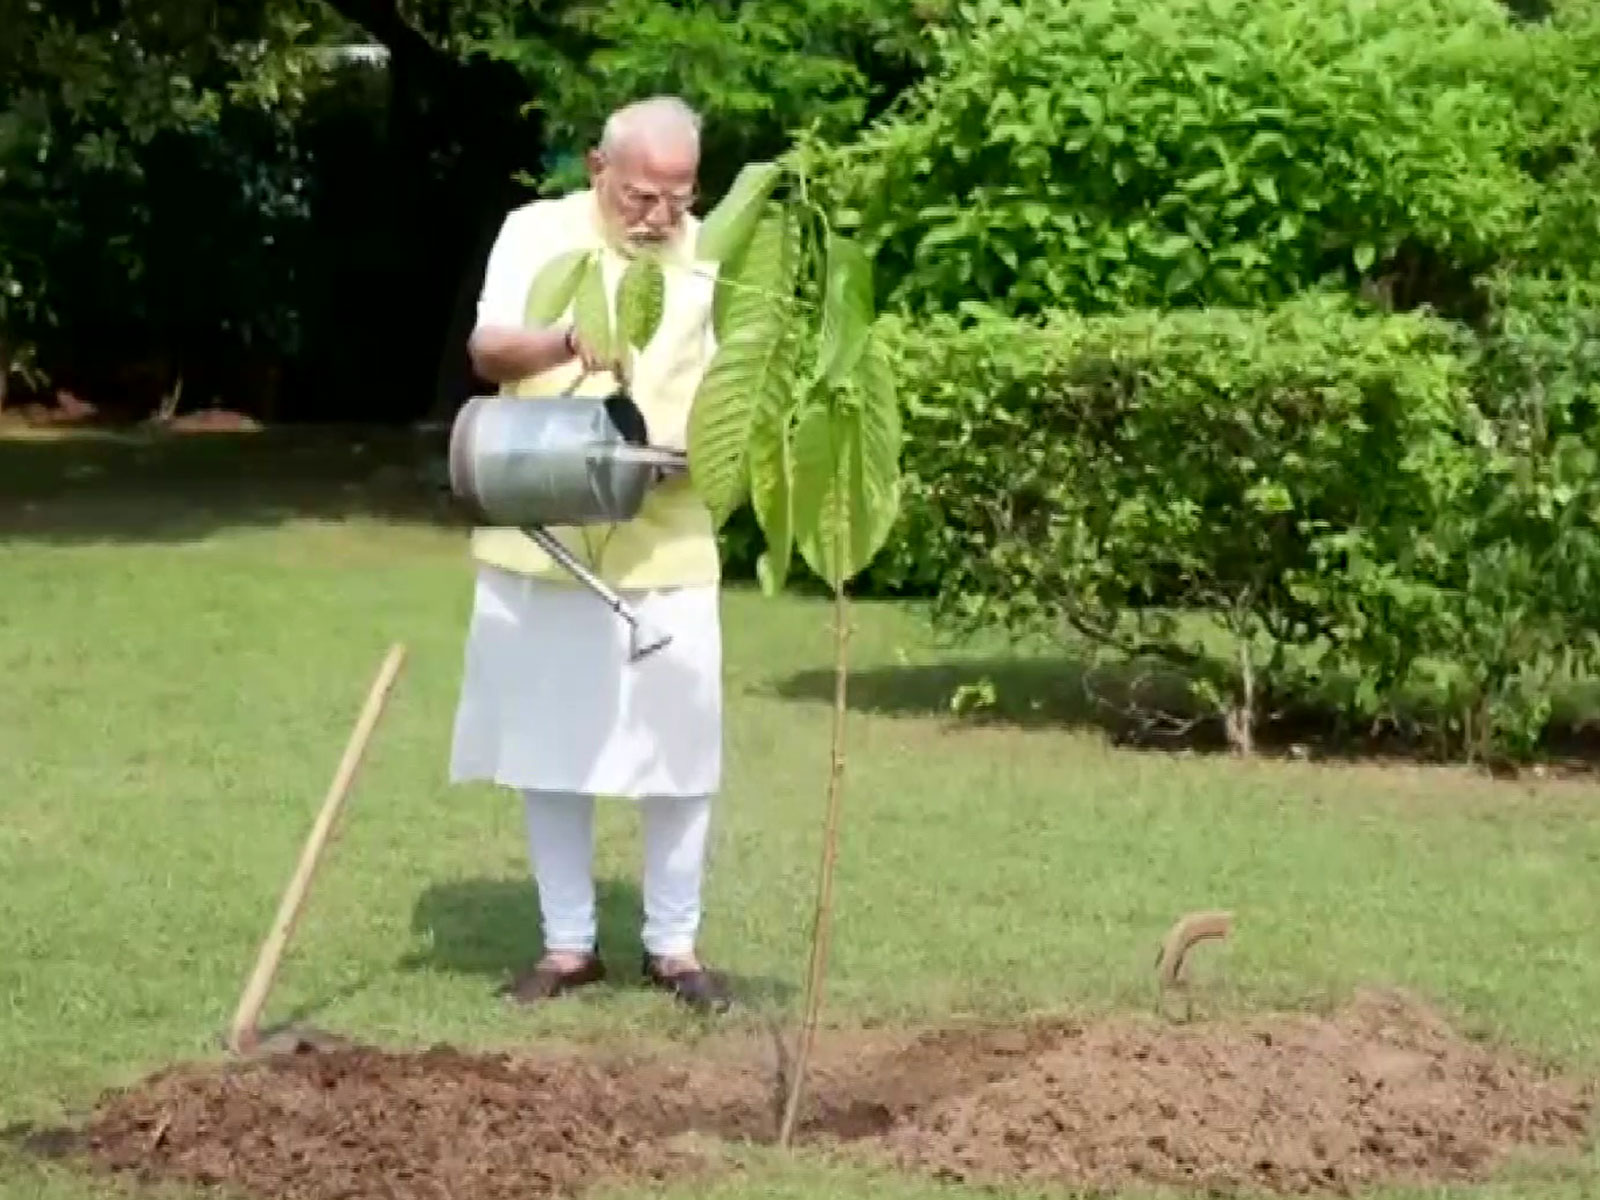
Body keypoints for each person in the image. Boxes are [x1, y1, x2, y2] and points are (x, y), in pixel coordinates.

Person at [450, 95, 731, 1014]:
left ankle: (674, 946)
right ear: (595, 168)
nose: (658, 218)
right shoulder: (538, 232)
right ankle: (567, 945)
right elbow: (489, 350)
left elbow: (737, 382)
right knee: (548, 743)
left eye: (677, 200)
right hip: (546, 527)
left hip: (670, 528)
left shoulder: (716, 252)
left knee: (681, 749)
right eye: (640, 197)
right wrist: (569, 340)